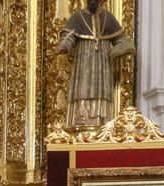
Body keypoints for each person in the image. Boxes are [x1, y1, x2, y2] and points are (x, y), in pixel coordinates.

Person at [56, 0, 133, 130]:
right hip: (84, 60)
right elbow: (69, 37)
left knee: (101, 88)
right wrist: (64, 46)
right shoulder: (77, 17)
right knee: (83, 86)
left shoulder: (108, 17)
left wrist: (124, 47)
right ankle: (82, 116)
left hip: (103, 60)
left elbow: (120, 39)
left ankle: (102, 118)